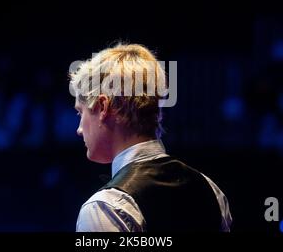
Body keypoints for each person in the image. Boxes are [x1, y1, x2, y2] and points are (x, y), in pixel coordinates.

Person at [69, 43, 232, 232]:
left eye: (80, 113)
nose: (79, 129)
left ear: (103, 106)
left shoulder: (107, 208)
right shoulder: (212, 190)